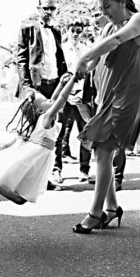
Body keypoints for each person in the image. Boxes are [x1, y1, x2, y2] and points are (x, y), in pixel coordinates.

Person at [73, 0, 140, 233]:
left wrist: (84, 57)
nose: (104, 11)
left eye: (107, 6)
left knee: (104, 152)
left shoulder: (138, 20)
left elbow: (117, 41)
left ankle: (95, 214)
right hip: (107, 95)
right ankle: (112, 208)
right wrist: (79, 69)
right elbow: (95, 61)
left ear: (121, 0)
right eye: (101, 7)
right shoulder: (107, 26)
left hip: (127, 95)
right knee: (101, 152)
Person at [0, 73, 78, 203]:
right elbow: (61, 99)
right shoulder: (47, 117)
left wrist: (62, 84)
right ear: (39, 110)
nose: (50, 101)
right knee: (21, 199)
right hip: (35, 155)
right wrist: (72, 81)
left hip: (39, 155)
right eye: (46, 101)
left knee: (21, 199)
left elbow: (54, 99)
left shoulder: (44, 114)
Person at [16, 0, 69, 185]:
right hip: (35, 87)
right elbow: (21, 59)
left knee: (55, 130)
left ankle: (55, 170)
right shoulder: (27, 28)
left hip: (55, 84)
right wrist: (26, 87)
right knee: (33, 131)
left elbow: (58, 57)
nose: (49, 12)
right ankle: (33, 174)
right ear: (38, 8)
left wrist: (65, 77)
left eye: (52, 9)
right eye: (46, 8)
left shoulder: (56, 31)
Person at [60, 21, 92, 182]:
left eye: (78, 31)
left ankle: (84, 169)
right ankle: (56, 170)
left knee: (86, 133)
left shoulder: (87, 49)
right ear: (66, 30)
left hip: (82, 96)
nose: (75, 34)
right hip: (65, 96)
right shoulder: (61, 49)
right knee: (60, 133)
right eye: (72, 30)